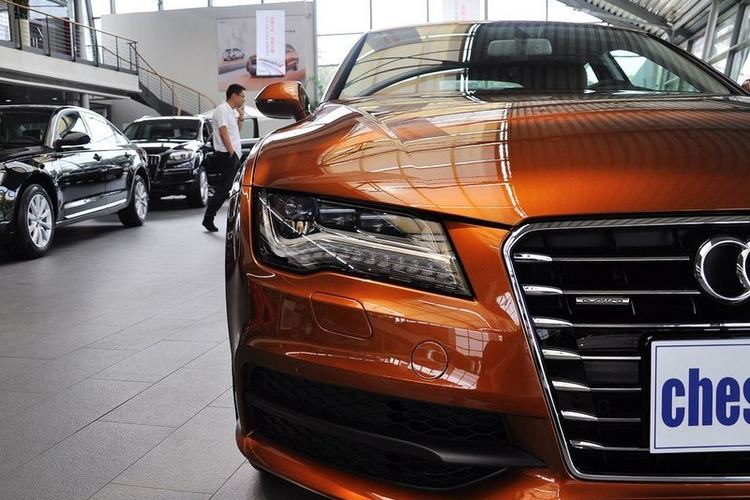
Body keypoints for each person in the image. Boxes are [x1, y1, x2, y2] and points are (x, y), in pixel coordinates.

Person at [202, 83, 246, 232]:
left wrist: (241, 117)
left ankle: (238, 218)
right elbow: (223, 132)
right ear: (234, 95)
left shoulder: (231, 111)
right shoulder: (222, 110)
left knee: (235, 187)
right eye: (242, 96)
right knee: (225, 188)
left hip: (233, 155)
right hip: (227, 155)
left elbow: (235, 132)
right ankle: (208, 217)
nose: (243, 99)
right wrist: (232, 153)